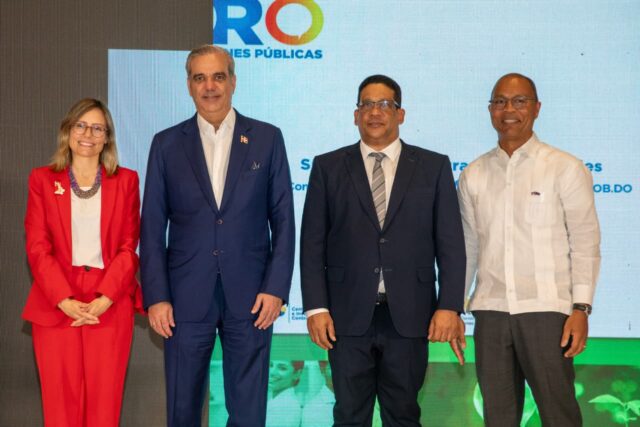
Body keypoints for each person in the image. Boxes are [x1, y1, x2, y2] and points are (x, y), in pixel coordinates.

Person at [140, 44, 295, 427]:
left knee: (248, 412)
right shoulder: (166, 144)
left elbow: (284, 220)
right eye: (200, 78)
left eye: (218, 77)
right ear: (189, 85)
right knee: (182, 409)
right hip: (184, 297)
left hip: (253, 298)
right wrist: (157, 296)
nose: (210, 86)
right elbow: (152, 226)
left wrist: (275, 288)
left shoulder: (267, 138)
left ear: (233, 82)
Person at [300, 74, 467, 426]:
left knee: (403, 415)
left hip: (409, 315)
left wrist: (449, 306)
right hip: (346, 317)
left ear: (400, 114)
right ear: (355, 115)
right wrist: (316, 307)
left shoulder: (433, 167)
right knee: (348, 415)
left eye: (384, 104)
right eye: (366, 105)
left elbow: (451, 244)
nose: (374, 112)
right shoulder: (328, 167)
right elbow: (312, 244)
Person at [458, 73, 601, 426]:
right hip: (490, 312)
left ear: (536, 108)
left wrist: (581, 308)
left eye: (519, 101)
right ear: (490, 110)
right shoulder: (473, 173)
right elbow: (468, 247)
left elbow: (585, 241)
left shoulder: (565, 167)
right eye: (500, 102)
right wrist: (453, 307)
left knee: (559, 415)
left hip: (547, 312)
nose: (509, 110)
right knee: (498, 418)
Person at [23, 98, 142, 427]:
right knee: (60, 406)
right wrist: (63, 298)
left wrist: (106, 297)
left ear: (107, 138)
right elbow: (37, 246)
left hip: (109, 301)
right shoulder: (42, 179)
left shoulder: (127, 181)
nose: (88, 134)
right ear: (67, 131)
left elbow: (129, 246)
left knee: (105, 405)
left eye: (97, 128)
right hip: (56, 300)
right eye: (81, 125)